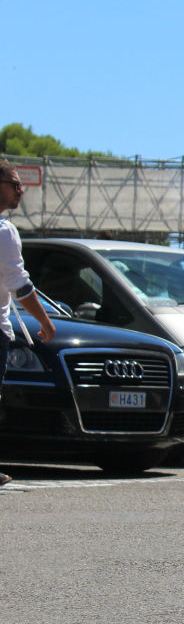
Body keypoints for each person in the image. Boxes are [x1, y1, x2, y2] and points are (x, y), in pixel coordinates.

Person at [0, 161, 57, 486]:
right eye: (14, 183)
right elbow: (20, 286)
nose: (21, 189)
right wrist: (45, 323)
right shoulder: (4, 231)